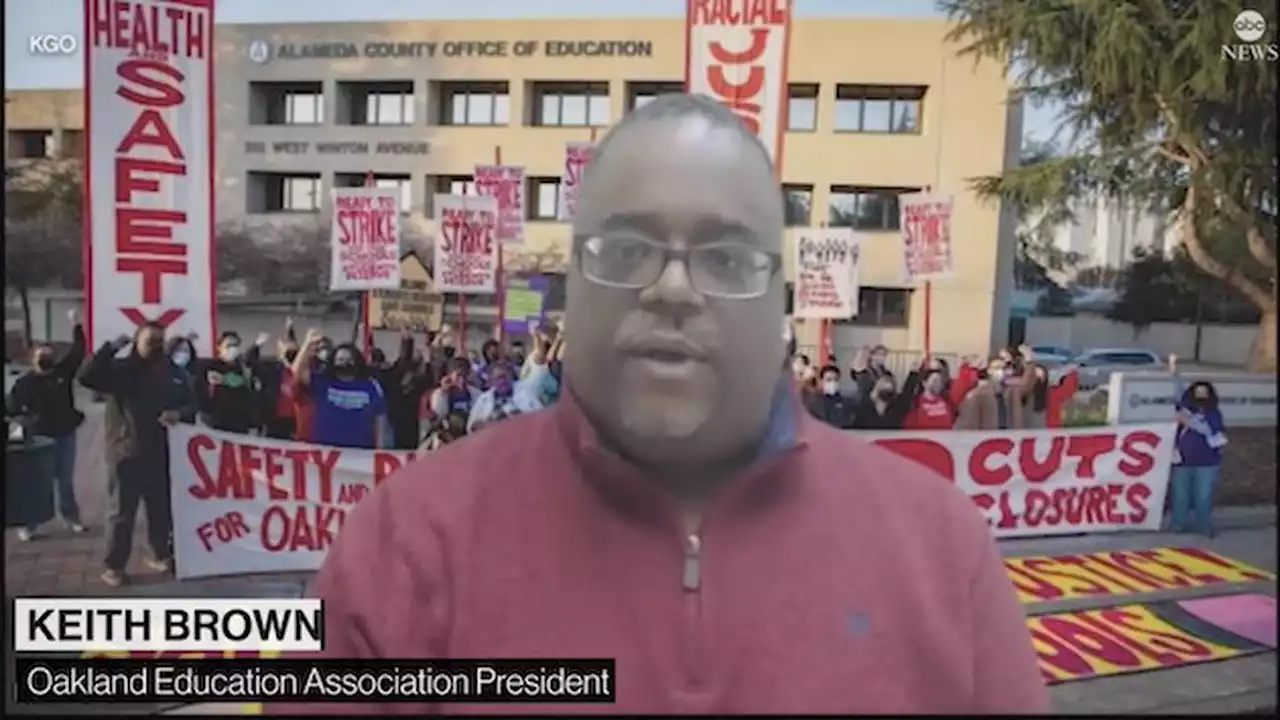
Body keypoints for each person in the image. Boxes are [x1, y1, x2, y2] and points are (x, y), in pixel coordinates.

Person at [276, 93, 1046, 715]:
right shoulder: (404, 546)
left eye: (725, 257)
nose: (672, 288)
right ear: (574, 281)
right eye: (628, 251)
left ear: (777, 295)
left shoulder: (943, 552)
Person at [78, 322, 195, 587]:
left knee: (160, 510)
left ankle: (161, 553)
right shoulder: (121, 371)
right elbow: (85, 376)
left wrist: (179, 414)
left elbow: (192, 402)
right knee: (122, 513)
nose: (154, 346)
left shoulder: (173, 372)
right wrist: (109, 349)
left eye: (159, 340)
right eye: (149, 340)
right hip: (126, 453)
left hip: (161, 452)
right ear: (136, 342)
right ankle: (114, 566)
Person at [7, 309, 88, 540]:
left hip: (65, 435)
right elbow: (11, 408)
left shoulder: (62, 373)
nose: (47, 357)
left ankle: (72, 518)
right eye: (43, 354)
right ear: (34, 359)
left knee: (65, 482)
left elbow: (78, 352)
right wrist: (20, 421)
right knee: (37, 484)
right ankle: (29, 524)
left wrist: (75, 324)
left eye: (50, 353)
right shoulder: (25, 383)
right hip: (39, 440)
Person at [292, 332, 388, 449]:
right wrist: (307, 345)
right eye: (340, 359)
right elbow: (297, 372)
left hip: (360, 455)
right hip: (324, 452)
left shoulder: (371, 385)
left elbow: (380, 421)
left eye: (349, 359)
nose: (344, 362)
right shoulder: (323, 381)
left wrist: (381, 451)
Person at [1167, 355, 1227, 537]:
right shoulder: (1184, 406)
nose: (1200, 395)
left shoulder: (1214, 413)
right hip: (1182, 460)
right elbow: (1177, 387)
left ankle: (1204, 525)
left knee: (1203, 496)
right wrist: (1173, 367)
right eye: (1197, 391)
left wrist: (1189, 421)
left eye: (1204, 392)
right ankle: (1178, 524)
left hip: (1207, 462)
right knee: (1180, 495)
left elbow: (1210, 431)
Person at [194, 331, 259, 434]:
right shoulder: (211, 365)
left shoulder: (242, 367)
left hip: (240, 422)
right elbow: (224, 380)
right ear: (219, 347)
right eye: (228, 345)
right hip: (218, 421)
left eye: (235, 345)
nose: (232, 349)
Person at [255, 318, 301, 440]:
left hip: (296, 421)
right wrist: (256, 347)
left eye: (294, 352)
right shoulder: (271, 370)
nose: (291, 355)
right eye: (288, 352)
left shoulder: (303, 372)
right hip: (275, 420)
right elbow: (251, 364)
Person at [805, 364, 856, 429]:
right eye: (828, 380)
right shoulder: (814, 402)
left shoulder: (846, 402)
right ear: (821, 381)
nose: (832, 382)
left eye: (835, 379)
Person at [165, 334, 199, 424]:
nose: (183, 354)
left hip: (184, 426)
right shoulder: (161, 371)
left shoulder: (191, 374)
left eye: (186, 351)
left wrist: (180, 413)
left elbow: (195, 403)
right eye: (179, 350)